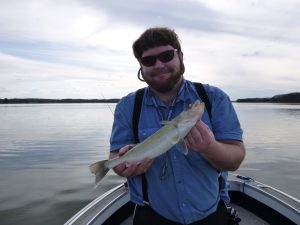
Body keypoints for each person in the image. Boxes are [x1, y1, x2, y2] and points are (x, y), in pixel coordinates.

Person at [109, 27, 245, 225]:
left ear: (180, 57)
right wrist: (124, 166)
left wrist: (210, 147)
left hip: (211, 214)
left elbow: (235, 160)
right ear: (141, 66)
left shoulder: (215, 98)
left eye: (166, 56)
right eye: (149, 60)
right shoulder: (127, 107)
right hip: (152, 215)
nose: (158, 65)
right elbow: (115, 159)